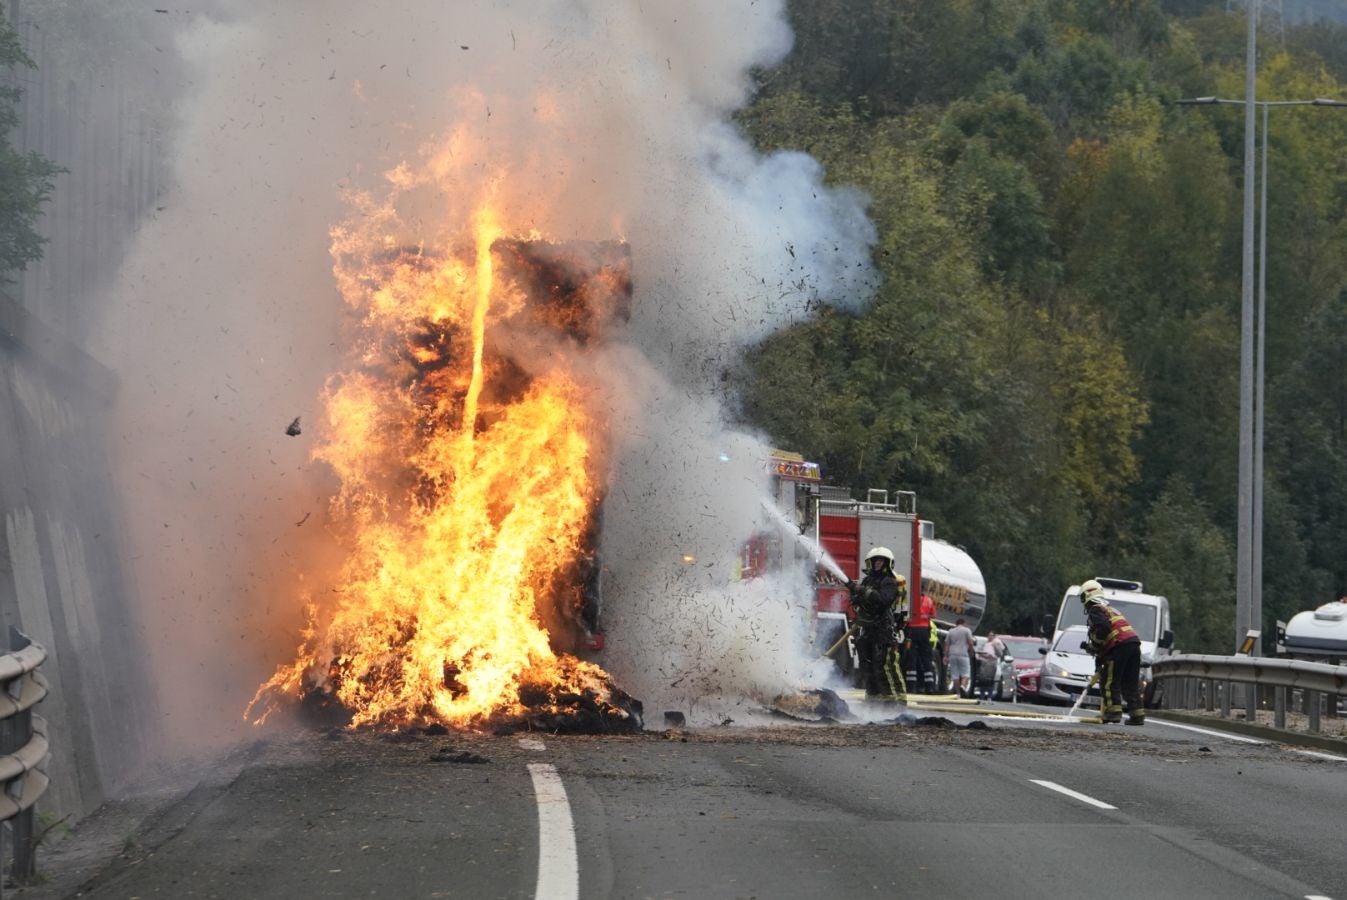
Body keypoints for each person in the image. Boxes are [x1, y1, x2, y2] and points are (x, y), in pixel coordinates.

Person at [1080, 579, 1144, 725]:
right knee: (1130, 683)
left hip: (1119, 647)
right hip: (1133, 644)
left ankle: (1113, 713)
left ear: (1087, 596)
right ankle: (1137, 715)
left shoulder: (1095, 609)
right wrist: (1099, 655)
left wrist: (1094, 646)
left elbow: (1103, 630)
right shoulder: (1110, 609)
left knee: (1109, 682)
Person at [848, 547, 907, 704]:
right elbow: (861, 603)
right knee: (868, 667)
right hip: (867, 630)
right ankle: (873, 701)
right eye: (875, 561)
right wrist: (855, 594)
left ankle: (894, 702)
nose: (877, 564)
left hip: (883, 630)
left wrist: (862, 591)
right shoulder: (868, 581)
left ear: (887, 563)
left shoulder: (889, 582)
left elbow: (883, 600)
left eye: (880, 561)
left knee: (884, 667)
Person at [905, 591, 938, 694]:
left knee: (912, 659)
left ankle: (911, 687)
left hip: (912, 631)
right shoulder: (928, 601)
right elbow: (933, 615)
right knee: (927, 660)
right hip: (924, 632)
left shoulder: (909, 600)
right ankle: (930, 687)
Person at [944, 616, 974, 698]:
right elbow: (970, 642)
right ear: (963, 623)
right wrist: (971, 651)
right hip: (963, 654)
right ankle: (963, 686)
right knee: (966, 674)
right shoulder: (967, 630)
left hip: (952, 654)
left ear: (956, 624)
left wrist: (945, 656)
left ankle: (958, 694)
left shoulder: (951, 631)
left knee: (955, 674)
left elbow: (947, 645)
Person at [975, 632, 1007, 701]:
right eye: (989, 635)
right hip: (983, 662)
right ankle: (982, 696)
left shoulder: (996, 643)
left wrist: (994, 648)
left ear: (994, 636)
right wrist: (981, 655)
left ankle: (989, 696)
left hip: (992, 663)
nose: (990, 637)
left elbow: (1000, 654)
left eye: (991, 635)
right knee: (982, 680)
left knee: (990, 680)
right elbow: (978, 651)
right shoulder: (985, 643)